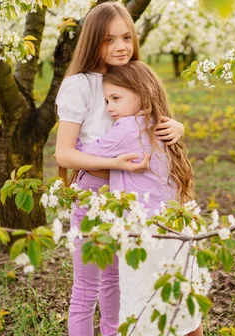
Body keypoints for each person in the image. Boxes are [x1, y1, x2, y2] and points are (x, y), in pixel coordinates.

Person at [55, 2, 184, 336]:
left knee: (116, 282)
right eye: (109, 39)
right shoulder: (79, 85)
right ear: (93, 40)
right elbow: (64, 154)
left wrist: (179, 128)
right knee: (86, 290)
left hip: (130, 196)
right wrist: (112, 163)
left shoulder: (130, 74)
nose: (120, 46)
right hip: (95, 194)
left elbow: (151, 118)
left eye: (126, 37)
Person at [79, 61, 204, 336]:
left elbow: (86, 152)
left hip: (144, 234)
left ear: (141, 93)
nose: (110, 108)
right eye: (106, 101)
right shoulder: (158, 125)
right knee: (182, 303)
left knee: (142, 307)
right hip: (176, 226)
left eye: (116, 98)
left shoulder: (126, 128)